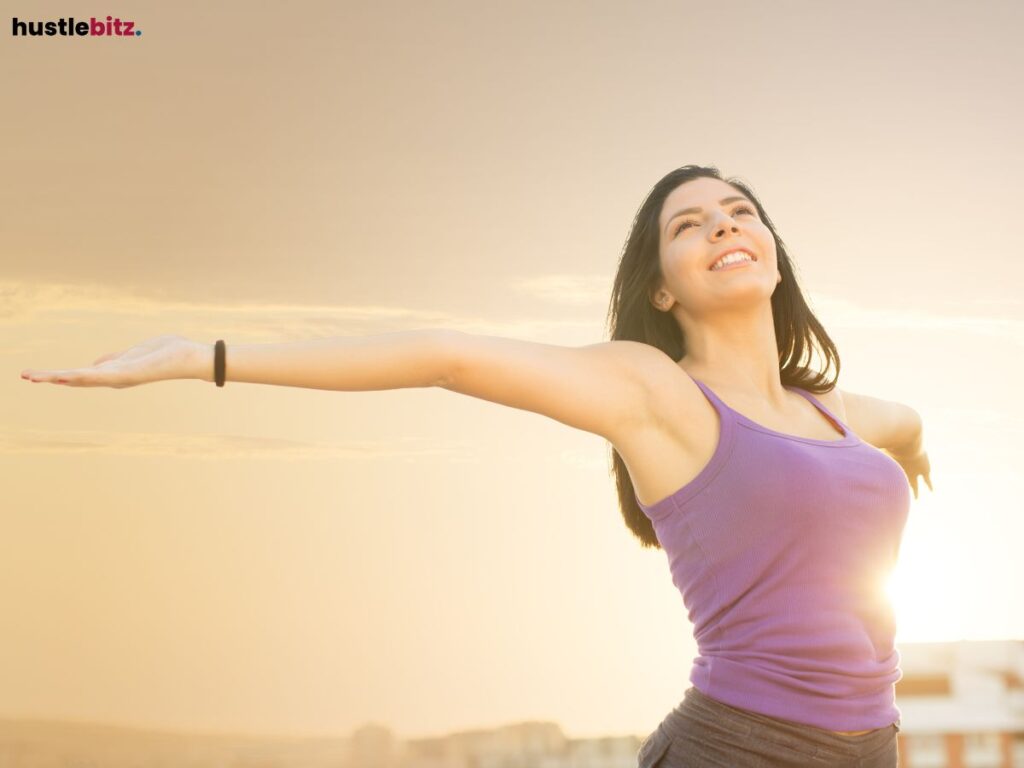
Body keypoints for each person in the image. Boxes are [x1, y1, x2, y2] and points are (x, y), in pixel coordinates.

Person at [20, 164, 931, 767]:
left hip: (873, 745)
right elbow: (446, 357)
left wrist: (913, 462)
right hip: (743, 749)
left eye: (740, 212)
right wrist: (204, 357)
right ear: (662, 286)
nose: (723, 226)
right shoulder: (654, 392)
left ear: (772, 250)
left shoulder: (835, 411)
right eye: (689, 225)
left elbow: (909, 425)